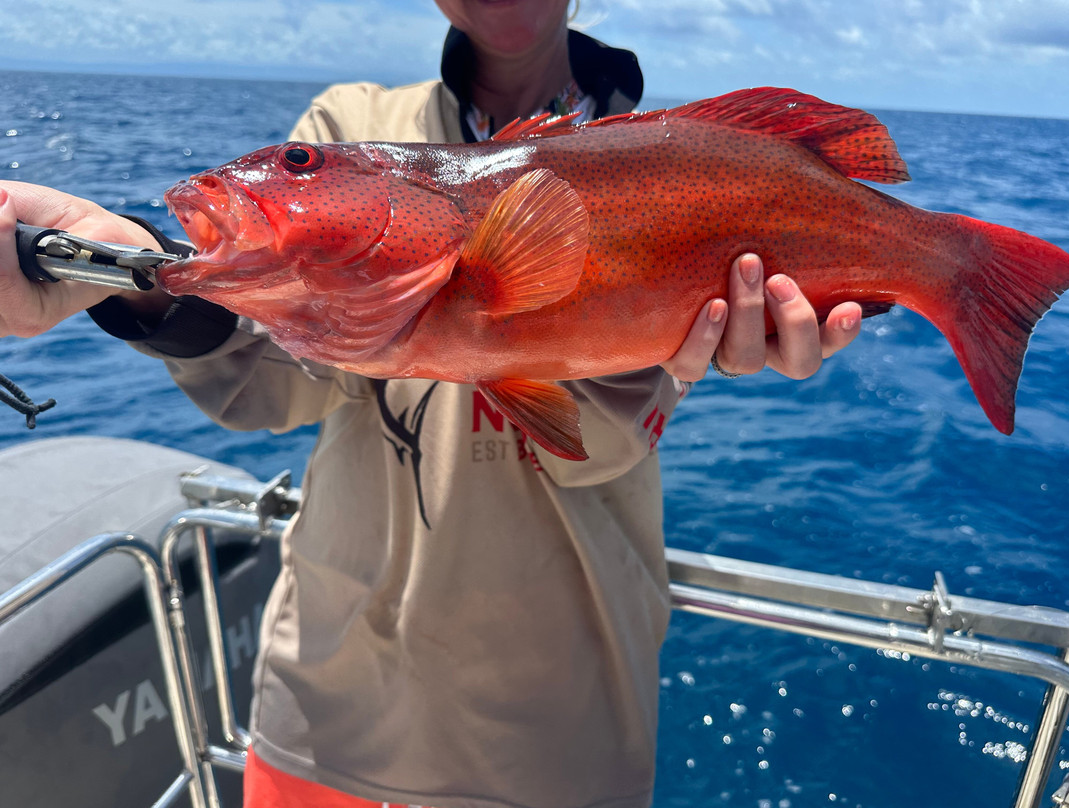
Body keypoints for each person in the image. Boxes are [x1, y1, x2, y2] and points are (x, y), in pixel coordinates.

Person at [0, 1, 863, 806]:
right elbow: (273, 378)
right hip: (329, 707)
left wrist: (654, 335)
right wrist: (128, 274)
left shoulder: (674, 161)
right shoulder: (352, 126)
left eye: (300, 170)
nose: (294, 171)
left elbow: (597, 444)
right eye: (301, 168)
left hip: (564, 732)